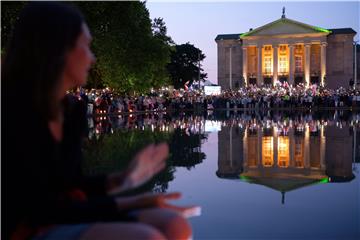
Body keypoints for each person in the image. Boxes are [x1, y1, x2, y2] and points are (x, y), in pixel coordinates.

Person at [3, 2, 198, 240]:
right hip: (26, 225)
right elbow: (40, 208)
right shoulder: (13, 113)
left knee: (175, 226)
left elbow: (72, 185)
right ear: (58, 50)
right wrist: (135, 201)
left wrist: (122, 179)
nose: (92, 58)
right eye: (86, 46)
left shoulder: (71, 112)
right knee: (146, 237)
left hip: (63, 211)